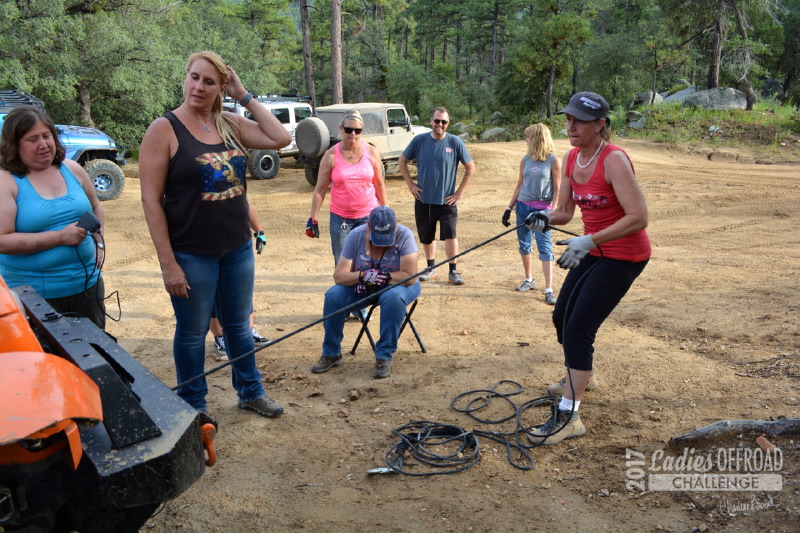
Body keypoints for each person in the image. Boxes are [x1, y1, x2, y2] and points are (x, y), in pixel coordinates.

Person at [139, 51, 291, 419]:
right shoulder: (164, 129)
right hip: (191, 253)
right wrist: (168, 264)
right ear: (185, 78)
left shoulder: (230, 123)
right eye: (194, 77)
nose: (199, 86)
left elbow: (281, 137)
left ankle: (251, 391)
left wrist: (244, 95)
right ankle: (194, 407)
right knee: (192, 333)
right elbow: (150, 201)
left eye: (209, 81)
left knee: (238, 326)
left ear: (221, 87)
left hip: (236, 247)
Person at [525, 92, 651, 445]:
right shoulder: (570, 157)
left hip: (625, 255)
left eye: (579, 121)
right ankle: (585, 376)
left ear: (600, 125)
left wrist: (591, 240)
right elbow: (564, 211)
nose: (571, 126)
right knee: (561, 316)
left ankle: (569, 416)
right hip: (595, 250)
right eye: (568, 119)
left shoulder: (613, 160)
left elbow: (639, 217)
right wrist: (544, 218)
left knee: (579, 327)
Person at [0, 106, 106, 329]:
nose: (43, 144)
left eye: (46, 136)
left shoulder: (72, 169)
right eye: (32, 139)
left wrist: (99, 244)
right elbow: (2, 240)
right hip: (32, 296)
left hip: (86, 287)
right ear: (14, 144)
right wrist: (59, 237)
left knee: (97, 357)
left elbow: (96, 207)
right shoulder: (6, 181)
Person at [311, 206, 420, 379]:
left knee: (393, 297)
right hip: (363, 285)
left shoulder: (404, 235)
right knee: (333, 295)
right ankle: (332, 353)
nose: (382, 243)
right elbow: (339, 276)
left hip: (399, 285)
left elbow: (410, 277)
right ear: (368, 226)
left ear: (395, 227)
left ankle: (384, 355)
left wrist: (384, 276)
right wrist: (362, 276)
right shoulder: (356, 235)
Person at [398, 107, 475, 285]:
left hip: (447, 200)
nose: (440, 124)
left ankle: (453, 271)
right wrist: (410, 184)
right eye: (437, 120)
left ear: (448, 123)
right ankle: (430, 268)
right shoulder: (419, 141)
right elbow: (402, 161)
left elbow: (470, 168)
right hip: (424, 199)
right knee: (426, 235)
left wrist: (458, 193)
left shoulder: (455, 142)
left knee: (450, 235)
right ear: (431, 121)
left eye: (444, 122)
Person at [306, 109, 386, 265]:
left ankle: (366, 289)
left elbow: (379, 184)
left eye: (358, 130)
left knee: (367, 260)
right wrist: (313, 218)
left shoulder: (371, 151)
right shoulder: (330, 155)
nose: (353, 134)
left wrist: (386, 212)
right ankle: (345, 289)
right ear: (341, 128)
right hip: (341, 219)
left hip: (368, 216)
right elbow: (320, 190)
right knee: (343, 262)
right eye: (349, 129)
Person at [502, 123, 561, 304]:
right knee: (524, 244)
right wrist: (509, 208)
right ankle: (529, 280)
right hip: (523, 207)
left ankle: (549, 289)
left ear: (536, 138)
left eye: (528, 136)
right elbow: (520, 185)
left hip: (542, 210)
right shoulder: (525, 159)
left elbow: (558, 188)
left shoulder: (553, 160)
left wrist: (552, 213)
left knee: (545, 247)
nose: (525, 139)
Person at [210, 201, 269, 360]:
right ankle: (220, 337)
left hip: (236, 242)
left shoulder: (230, 178)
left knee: (242, 290)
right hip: (205, 245)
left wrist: (259, 231)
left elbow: (244, 202)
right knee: (213, 291)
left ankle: (249, 330)